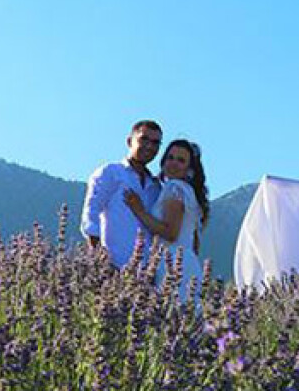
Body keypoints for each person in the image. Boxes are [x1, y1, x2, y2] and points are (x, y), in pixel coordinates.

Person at [125, 139, 211, 297]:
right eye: (170, 157)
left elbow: (171, 232)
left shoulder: (175, 188)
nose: (173, 163)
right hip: (188, 263)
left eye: (181, 160)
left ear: (189, 169)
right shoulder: (189, 193)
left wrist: (139, 210)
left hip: (171, 263)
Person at [81, 120, 164, 268]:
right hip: (112, 266)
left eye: (155, 142)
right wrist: (102, 260)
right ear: (129, 141)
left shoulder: (156, 187)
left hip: (144, 274)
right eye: (143, 139)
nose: (149, 146)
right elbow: (90, 216)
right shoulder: (111, 173)